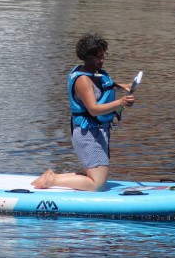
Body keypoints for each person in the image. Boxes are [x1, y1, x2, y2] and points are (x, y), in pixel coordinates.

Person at [31, 33, 135, 192]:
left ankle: (53, 176)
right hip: (88, 133)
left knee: (97, 177)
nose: (102, 60)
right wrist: (120, 102)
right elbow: (93, 109)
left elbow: (102, 86)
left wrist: (121, 86)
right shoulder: (83, 81)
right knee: (97, 185)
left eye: (103, 55)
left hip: (97, 131)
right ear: (87, 57)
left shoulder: (94, 74)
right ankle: (53, 180)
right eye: (98, 57)